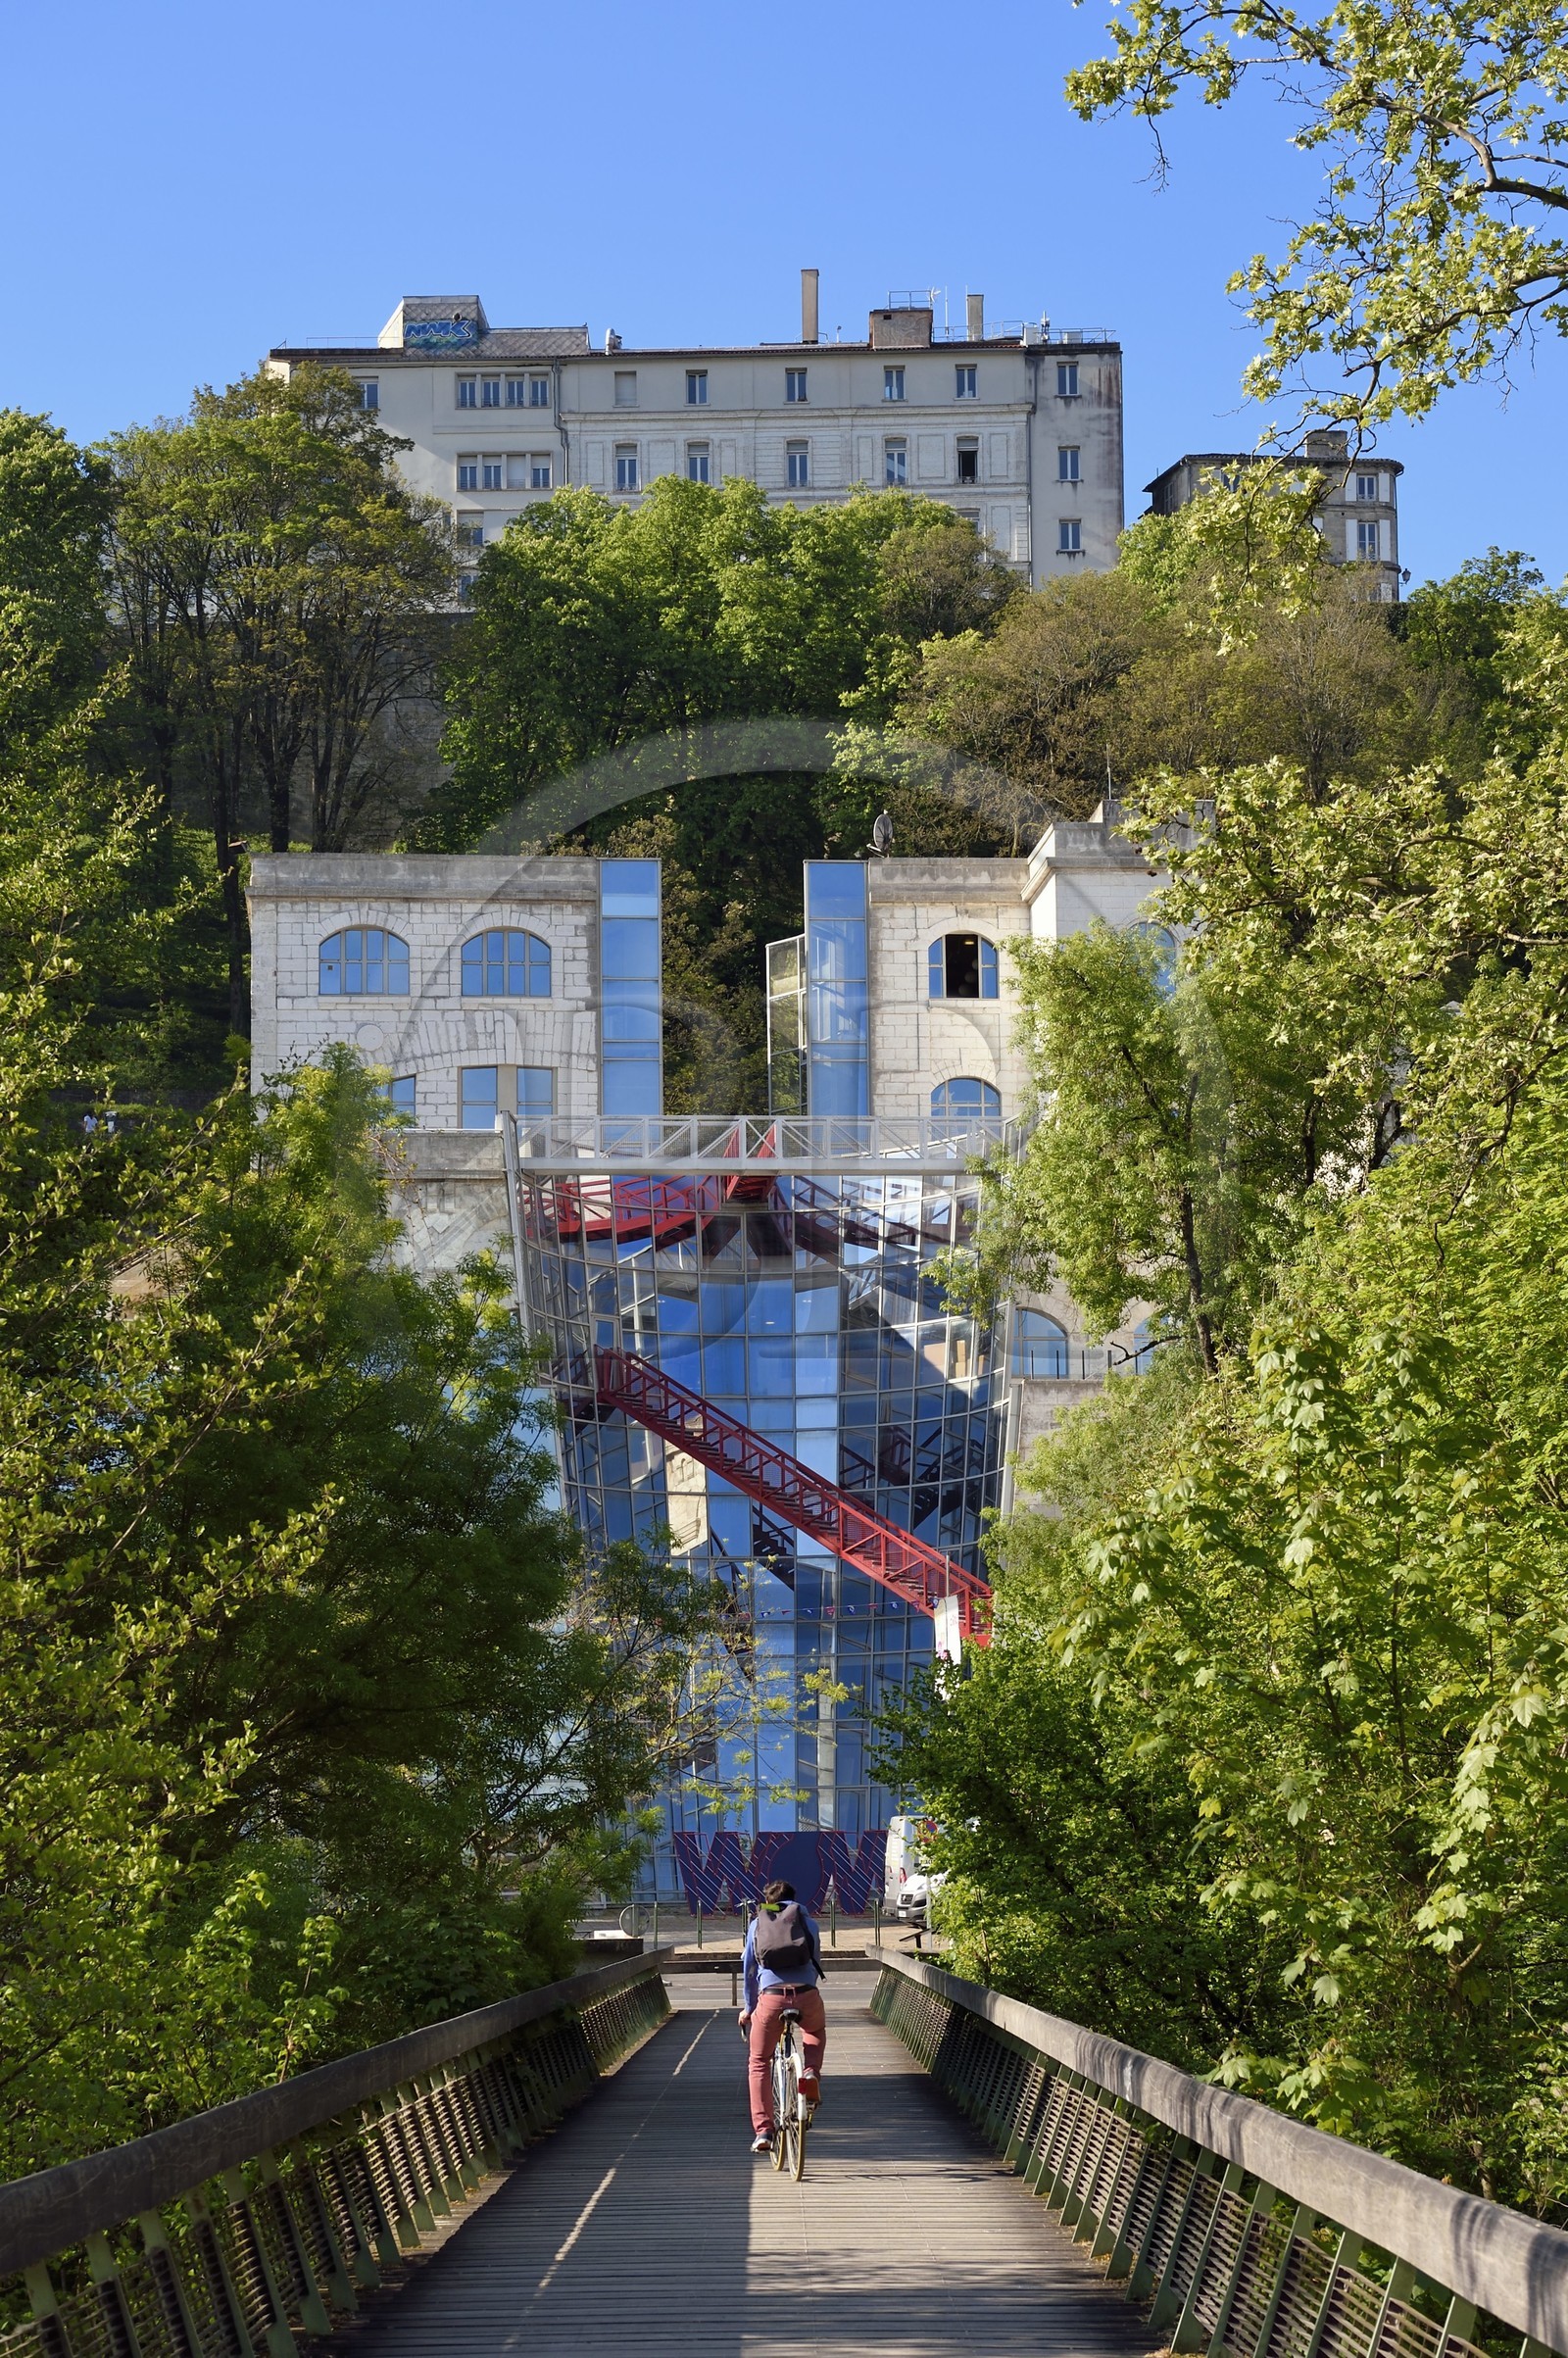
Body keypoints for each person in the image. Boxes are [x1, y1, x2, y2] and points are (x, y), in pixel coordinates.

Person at [737, 1878, 826, 2153]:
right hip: (806, 1993)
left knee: (759, 2061)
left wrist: (749, 2007)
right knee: (814, 2031)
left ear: (767, 1900)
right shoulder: (808, 1922)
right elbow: (815, 1962)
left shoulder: (757, 1924)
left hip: (772, 1998)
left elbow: (749, 1969)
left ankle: (764, 2130)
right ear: (793, 1897)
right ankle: (810, 2071)